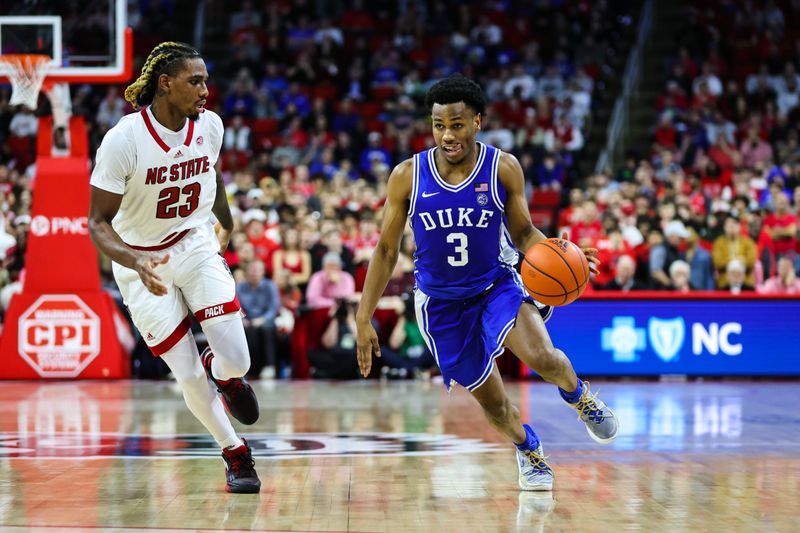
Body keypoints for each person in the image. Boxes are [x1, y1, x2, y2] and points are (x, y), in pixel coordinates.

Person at [355, 74, 618, 492]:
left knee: (544, 357)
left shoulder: (502, 167)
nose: (447, 135)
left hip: (495, 285)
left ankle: (580, 395)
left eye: (457, 124)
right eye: (439, 125)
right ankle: (529, 449)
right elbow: (386, 251)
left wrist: (558, 251)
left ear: (477, 122)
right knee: (495, 406)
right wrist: (363, 316)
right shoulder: (407, 175)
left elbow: (524, 232)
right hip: (440, 304)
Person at [87, 42, 260, 493]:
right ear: (166, 83)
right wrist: (133, 259)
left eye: (205, 79)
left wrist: (226, 219)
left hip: (193, 242)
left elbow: (211, 174)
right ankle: (235, 452)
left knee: (238, 358)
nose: (206, 89)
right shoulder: (124, 139)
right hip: (142, 260)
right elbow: (97, 221)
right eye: (195, 80)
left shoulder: (212, 126)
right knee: (185, 372)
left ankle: (224, 374)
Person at [237, 259, 281, 378]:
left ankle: (269, 366)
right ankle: (249, 368)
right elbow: (236, 307)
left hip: (265, 319)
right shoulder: (240, 287)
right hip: (247, 319)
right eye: (251, 270)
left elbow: (274, 308)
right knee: (245, 331)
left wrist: (262, 319)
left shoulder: (270, 285)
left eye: (257, 270)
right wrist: (242, 319)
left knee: (266, 329)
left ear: (263, 272)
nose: (254, 273)